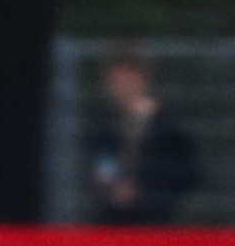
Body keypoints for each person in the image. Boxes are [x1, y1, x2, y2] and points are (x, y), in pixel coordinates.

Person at [86, 48, 202, 223]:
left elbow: (187, 174)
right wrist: (112, 188)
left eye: (127, 81)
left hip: (156, 222)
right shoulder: (105, 126)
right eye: (116, 82)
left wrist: (144, 193)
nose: (122, 89)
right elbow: (101, 166)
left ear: (142, 80)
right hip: (113, 221)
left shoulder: (168, 127)